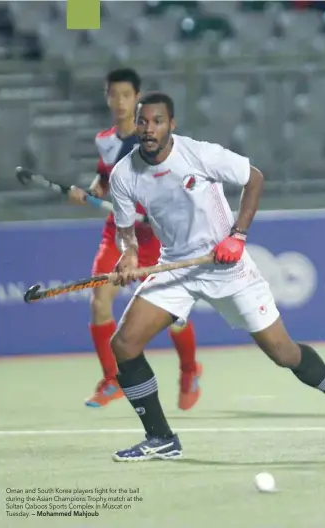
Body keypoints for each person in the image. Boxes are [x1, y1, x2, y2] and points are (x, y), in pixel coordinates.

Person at [107, 91, 325, 461]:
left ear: (172, 125)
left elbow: (254, 178)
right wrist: (129, 254)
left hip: (227, 266)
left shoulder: (199, 154)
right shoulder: (124, 174)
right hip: (177, 267)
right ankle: (161, 437)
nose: (148, 129)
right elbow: (126, 230)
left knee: (283, 353)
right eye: (142, 122)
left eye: (157, 121)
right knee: (124, 344)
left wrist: (237, 235)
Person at [68, 69, 201, 411]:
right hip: (119, 231)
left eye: (127, 95)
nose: (120, 102)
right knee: (99, 301)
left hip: (156, 235)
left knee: (176, 315)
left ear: (137, 98)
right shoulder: (105, 140)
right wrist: (89, 193)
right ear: (107, 97)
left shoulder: (155, 138)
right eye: (114, 95)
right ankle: (112, 379)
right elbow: (104, 182)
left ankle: (189, 370)